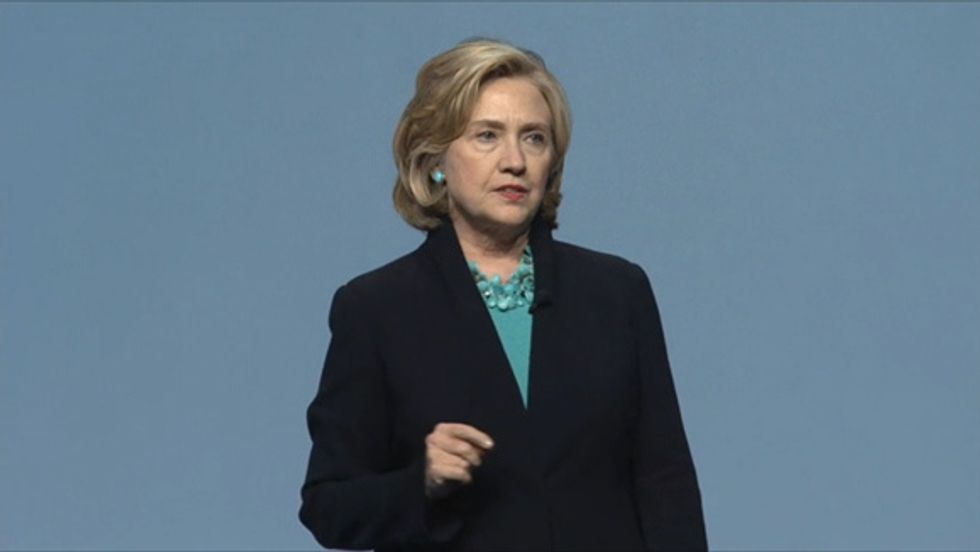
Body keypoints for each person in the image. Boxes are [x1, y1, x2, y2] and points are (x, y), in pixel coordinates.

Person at [299, 37, 707, 551]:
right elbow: (328, 505)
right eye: (487, 135)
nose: (515, 160)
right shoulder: (375, 309)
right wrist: (420, 483)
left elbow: (666, 484)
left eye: (534, 138)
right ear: (435, 158)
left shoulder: (617, 292)